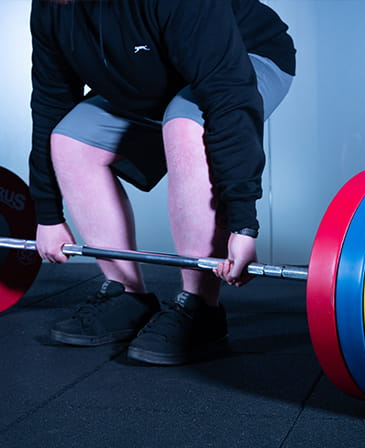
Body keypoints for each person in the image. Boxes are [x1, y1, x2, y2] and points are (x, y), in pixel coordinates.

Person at [29, 0, 296, 365]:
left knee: (185, 124)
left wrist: (243, 223)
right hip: (156, 73)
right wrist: (46, 214)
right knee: (70, 140)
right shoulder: (51, 7)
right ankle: (127, 294)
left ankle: (200, 306)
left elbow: (229, 98)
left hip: (242, 57)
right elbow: (50, 102)